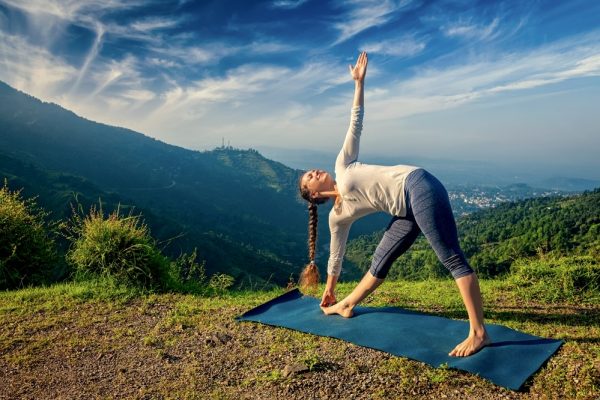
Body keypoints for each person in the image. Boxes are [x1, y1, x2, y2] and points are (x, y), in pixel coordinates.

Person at [298, 51, 490, 357]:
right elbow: (336, 256)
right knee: (380, 260)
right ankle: (347, 304)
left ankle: (479, 332)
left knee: (452, 259)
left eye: (312, 171)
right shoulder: (338, 218)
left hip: (418, 185)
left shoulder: (341, 166)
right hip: (405, 209)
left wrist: (358, 84)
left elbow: (355, 124)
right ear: (314, 195)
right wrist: (330, 290)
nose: (315, 172)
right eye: (310, 177)